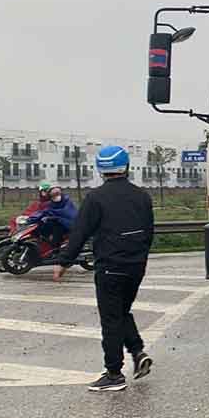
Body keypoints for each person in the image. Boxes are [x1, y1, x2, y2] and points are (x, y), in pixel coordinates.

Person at [54, 146, 155, 393]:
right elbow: (149, 232)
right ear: (126, 166)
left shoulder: (95, 198)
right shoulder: (142, 196)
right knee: (120, 311)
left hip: (111, 267)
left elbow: (80, 232)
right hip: (136, 266)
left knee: (111, 319)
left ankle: (113, 374)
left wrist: (64, 262)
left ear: (101, 169)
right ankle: (137, 352)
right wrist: (139, 256)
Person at [28, 186, 78, 252]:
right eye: (53, 196)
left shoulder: (67, 202)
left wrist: (54, 218)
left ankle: (55, 249)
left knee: (57, 229)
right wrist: (31, 219)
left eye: (57, 194)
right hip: (59, 222)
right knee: (43, 224)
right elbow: (44, 212)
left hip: (68, 225)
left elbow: (67, 213)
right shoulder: (52, 204)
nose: (56, 197)